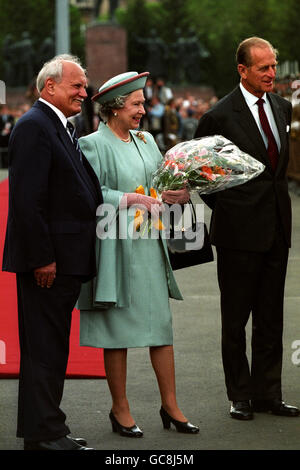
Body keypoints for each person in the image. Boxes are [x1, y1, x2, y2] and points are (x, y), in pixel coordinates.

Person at [78, 71, 199, 437]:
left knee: (160, 326)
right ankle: (120, 409)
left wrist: (180, 192)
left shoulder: (146, 140)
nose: (143, 110)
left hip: (151, 244)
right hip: (114, 246)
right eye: (137, 104)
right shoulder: (90, 145)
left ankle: (171, 406)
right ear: (115, 108)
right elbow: (88, 193)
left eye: (143, 103)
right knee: (118, 332)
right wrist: (128, 198)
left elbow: (164, 182)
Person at [194, 37, 299, 420]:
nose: (272, 73)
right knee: (236, 318)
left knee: (272, 317)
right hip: (238, 235)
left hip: (277, 232)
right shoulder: (219, 116)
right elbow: (201, 177)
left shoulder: (283, 108)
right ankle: (239, 393)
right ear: (243, 70)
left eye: (273, 65)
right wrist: (233, 210)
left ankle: (268, 392)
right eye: (264, 68)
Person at [2, 54, 103, 450]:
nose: (84, 92)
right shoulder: (34, 127)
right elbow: (27, 202)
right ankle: (44, 435)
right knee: (44, 349)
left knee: (51, 346)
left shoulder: (58, 127)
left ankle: (47, 429)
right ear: (50, 87)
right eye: (77, 86)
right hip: (49, 262)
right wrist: (43, 257)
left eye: (84, 85)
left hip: (64, 260)